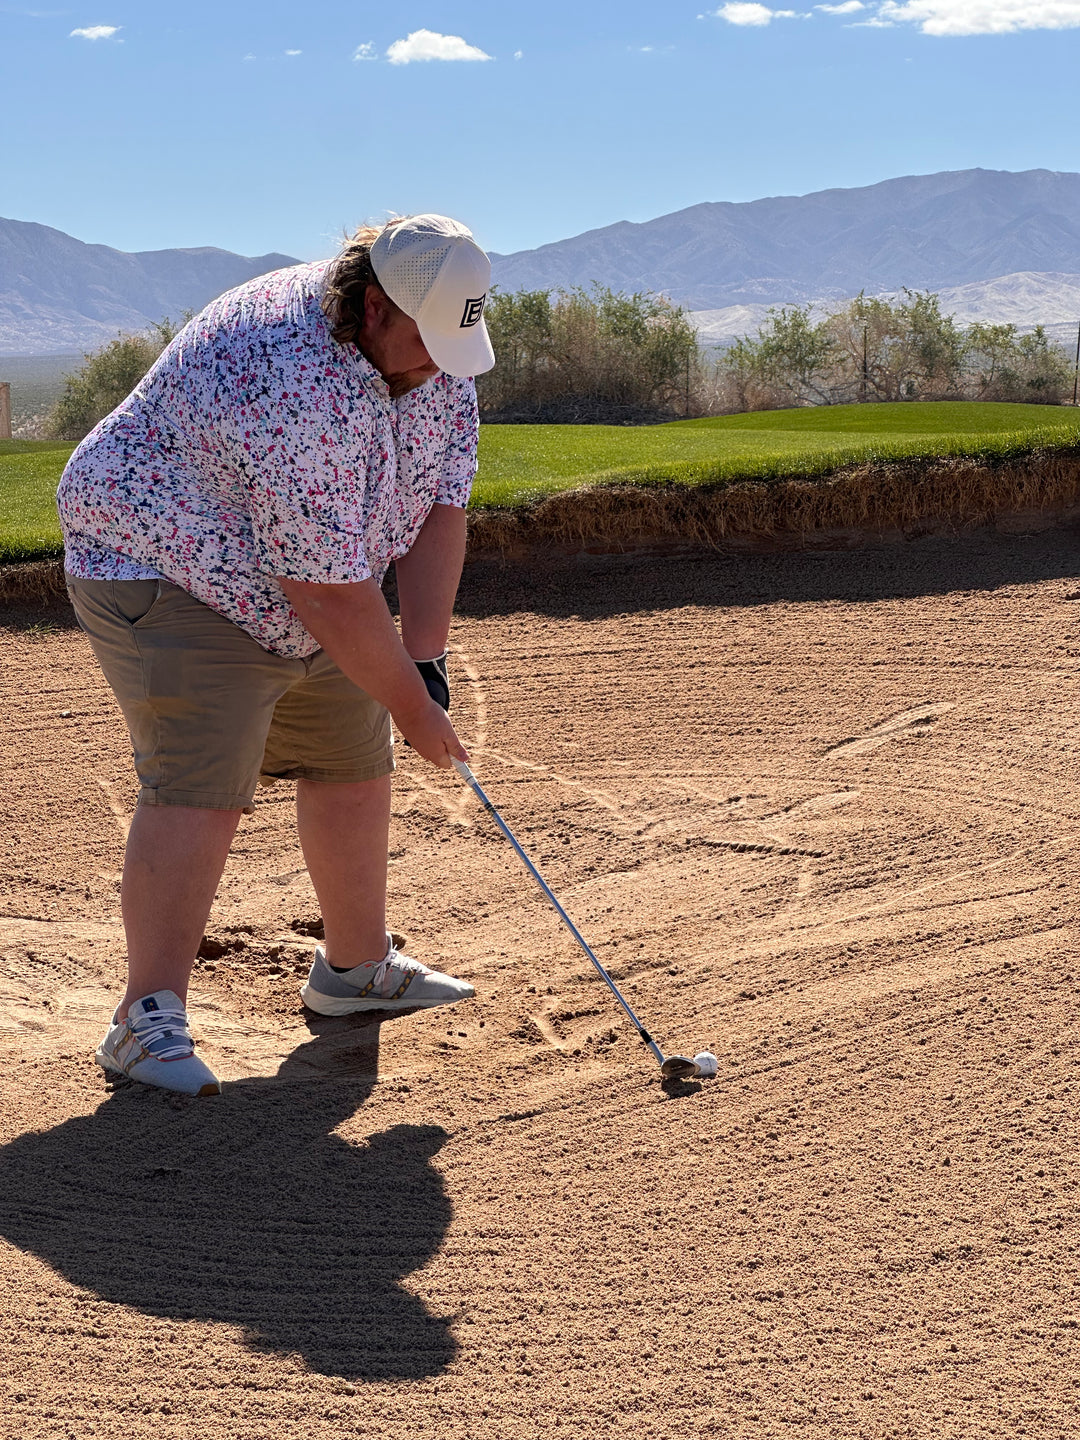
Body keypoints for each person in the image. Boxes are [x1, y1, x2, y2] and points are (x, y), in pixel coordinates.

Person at [57, 213, 495, 1098]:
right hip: (165, 558)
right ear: (373, 306)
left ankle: (353, 970)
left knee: (349, 757)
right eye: (426, 339)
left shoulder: (440, 354)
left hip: (306, 567)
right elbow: (326, 592)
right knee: (201, 782)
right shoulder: (286, 371)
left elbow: (443, 502)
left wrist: (426, 657)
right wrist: (413, 707)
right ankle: (145, 1020)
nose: (440, 362)